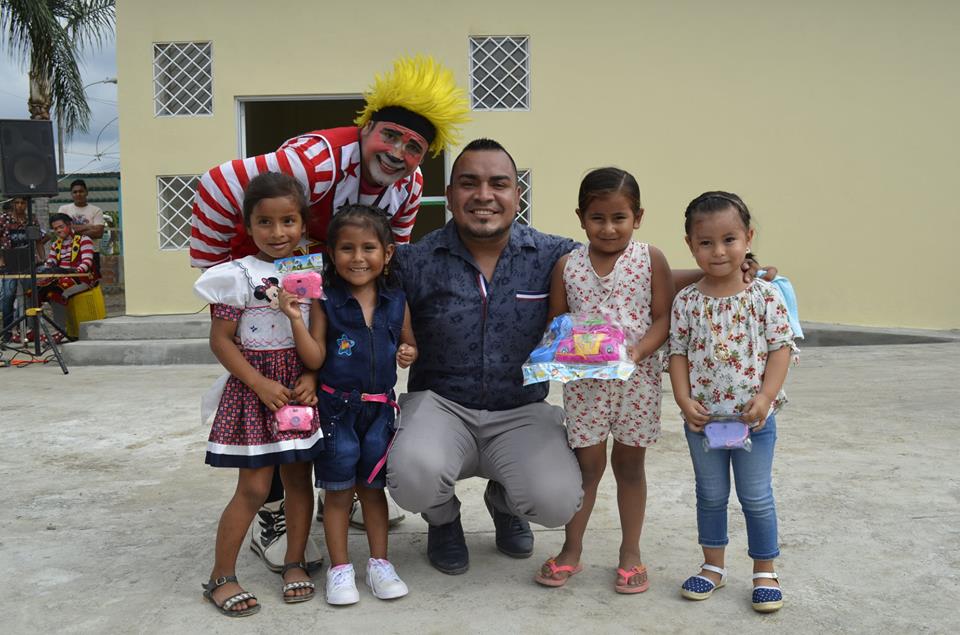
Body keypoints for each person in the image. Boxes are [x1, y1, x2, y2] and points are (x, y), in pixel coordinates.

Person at [190, 55, 469, 572]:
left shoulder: (408, 187)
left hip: (325, 286)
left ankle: (341, 488)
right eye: (391, 136)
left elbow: (392, 258)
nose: (399, 153)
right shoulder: (315, 160)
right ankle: (273, 513)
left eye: (414, 147)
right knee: (273, 397)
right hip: (262, 283)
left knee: (325, 386)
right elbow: (217, 185)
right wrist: (220, 280)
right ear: (367, 127)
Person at [387, 139, 584, 575]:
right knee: (412, 478)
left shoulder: (555, 256)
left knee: (557, 501)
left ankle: (504, 501)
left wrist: (719, 274)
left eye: (498, 183)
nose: (483, 195)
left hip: (520, 411)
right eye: (468, 183)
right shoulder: (414, 261)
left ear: (517, 193)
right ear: (450, 194)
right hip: (442, 407)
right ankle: (443, 518)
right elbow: (350, 280)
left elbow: (631, 275)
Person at [193, 173, 326, 617]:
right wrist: (258, 383)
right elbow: (221, 340)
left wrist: (311, 375)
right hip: (256, 391)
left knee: (299, 481)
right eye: (264, 222)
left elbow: (319, 334)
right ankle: (221, 576)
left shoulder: (312, 273)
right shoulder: (236, 275)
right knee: (252, 488)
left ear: (303, 224)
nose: (277, 232)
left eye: (288, 221)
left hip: (296, 392)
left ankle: (294, 561)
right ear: (248, 225)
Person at [534, 168, 672, 593]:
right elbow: (557, 322)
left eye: (619, 218)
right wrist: (564, 351)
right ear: (580, 217)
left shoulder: (651, 259)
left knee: (630, 468)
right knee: (587, 468)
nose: (608, 228)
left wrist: (639, 351)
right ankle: (571, 550)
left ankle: (630, 553)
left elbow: (663, 317)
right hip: (585, 387)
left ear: (638, 217)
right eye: (597, 218)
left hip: (638, 384)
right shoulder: (567, 266)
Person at [667, 191, 796, 614]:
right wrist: (683, 399)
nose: (718, 251)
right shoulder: (686, 301)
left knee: (756, 496)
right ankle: (713, 567)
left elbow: (781, 348)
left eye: (729, 240)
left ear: (748, 238)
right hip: (703, 424)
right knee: (710, 494)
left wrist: (766, 396)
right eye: (706, 242)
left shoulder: (765, 296)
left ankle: (765, 571)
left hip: (754, 422)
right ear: (690, 245)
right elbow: (678, 353)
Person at [284, 204, 417, 605]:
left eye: (368, 248)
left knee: (374, 491)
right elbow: (315, 357)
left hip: (379, 413)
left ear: (387, 253)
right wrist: (295, 319)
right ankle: (340, 570)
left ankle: (380, 564)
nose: (358, 258)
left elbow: (408, 341)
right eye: (346, 248)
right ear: (331, 253)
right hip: (336, 412)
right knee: (339, 493)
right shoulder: (326, 301)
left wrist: (408, 352)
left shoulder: (396, 299)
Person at [36, 213, 99, 337]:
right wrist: (45, 269)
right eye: (55, 229)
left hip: (82, 279)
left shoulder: (84, 240)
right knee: (33, 292)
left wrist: (74, 272)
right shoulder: (56, 244)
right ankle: (33, 330)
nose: (58, 231)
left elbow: (87, 262)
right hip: (60, 278)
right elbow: (51, 263)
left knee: (56, 293)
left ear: (69, 225)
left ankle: (60, 331)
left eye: (61, 227)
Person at [0, 197, 30, 340]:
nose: (20, 205)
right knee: (8, 296)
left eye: (22, 203)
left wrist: (41, 258)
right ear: (12, 204)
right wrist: (1, 259)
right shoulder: (4, 219)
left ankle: (27, 331)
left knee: (29, 296)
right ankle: (7, 332)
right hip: (8, 263)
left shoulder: (31, 219)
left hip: (27, 263)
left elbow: (40, 238)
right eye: (17, 202)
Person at [57, 179, 105, 257]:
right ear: (71, 194)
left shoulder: (96, 210)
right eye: (75, 192)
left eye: (81, 191)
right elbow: (62, 231)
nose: (78, 194)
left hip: (91, 252)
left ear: (86, 192)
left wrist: (72, 231)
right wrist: (88, 226)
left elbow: (99, 233)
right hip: (68, 252)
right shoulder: (63, 209)